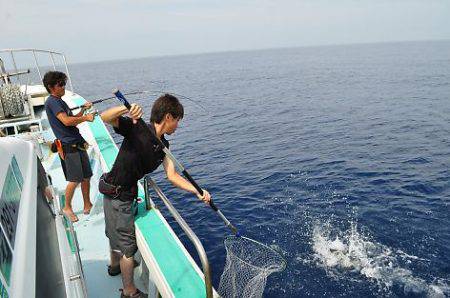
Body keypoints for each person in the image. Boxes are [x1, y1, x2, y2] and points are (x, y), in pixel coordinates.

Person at [100, 94, 211, 298]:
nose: (177, 125)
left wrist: (198, 191)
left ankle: (115, 266)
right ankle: (129, 291)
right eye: (177, 120)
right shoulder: (137, 128)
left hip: (123, 192)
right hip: (118, 193)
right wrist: (126, 109)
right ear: (168, 117)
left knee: (115, 234)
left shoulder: (164, 148)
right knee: (128, 247)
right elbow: (105, 117)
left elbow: (172, 176)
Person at [43, 71, 96, 222]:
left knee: (86, 176)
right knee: (75, 179)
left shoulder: (60, 101)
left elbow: (72, 117)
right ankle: (67, 207)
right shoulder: (52, 102)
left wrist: (83, 110)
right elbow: (66, 121)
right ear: (51, 87)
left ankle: (87, 204)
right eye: (60, 84)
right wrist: (86, 118)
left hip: (78, 143)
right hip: (68, 146)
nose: (63, 86)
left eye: (64, 83)